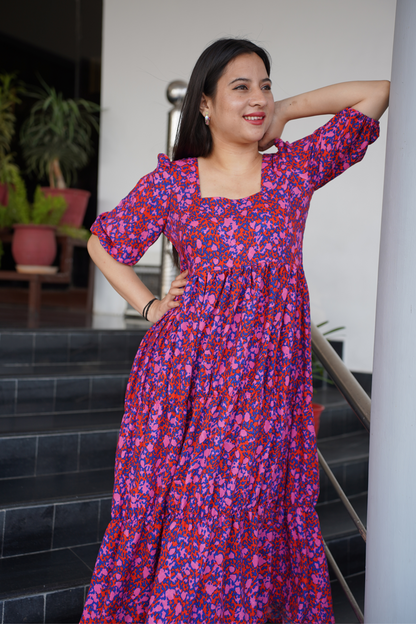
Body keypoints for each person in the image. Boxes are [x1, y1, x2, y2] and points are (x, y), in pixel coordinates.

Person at [80, 38, 389, 624]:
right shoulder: (175, 183)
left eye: (265, 85)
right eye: (240, 87)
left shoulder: (293, 171)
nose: (257, 97)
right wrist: (150, 306)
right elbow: (103, 242)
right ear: (204, 104)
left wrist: (285, 110)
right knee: (185, 512)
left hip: (265, 383)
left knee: (241, 514)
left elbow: (378, 93)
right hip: (185, 378)